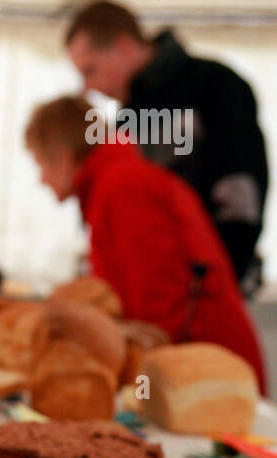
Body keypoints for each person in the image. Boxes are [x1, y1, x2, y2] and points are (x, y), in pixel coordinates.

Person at [25, 95, 266, 390]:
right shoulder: (118, 181)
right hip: (201, 367)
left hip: (211, 375)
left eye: (39, 162)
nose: (40, 180)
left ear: (62, 158)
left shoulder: (122, 188)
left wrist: (135, 385)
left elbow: (158, 308)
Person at [65, 2, 268, 291]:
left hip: (209, 291)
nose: (87, 87)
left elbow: (241, 196)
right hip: (154, 293)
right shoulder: (127, 119)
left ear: (123, 46)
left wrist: (214, 285)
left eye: (90, 70)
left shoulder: (214, 85)